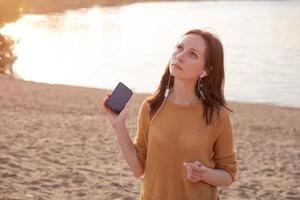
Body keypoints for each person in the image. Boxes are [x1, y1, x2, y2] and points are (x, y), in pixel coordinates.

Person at [102, 29, 238, 200]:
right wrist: (119, 125)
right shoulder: (152, 107)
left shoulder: (217, 115)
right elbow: (139, 169)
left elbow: (229, 175)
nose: (180, 56)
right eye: (179, 47)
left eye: (192, 54)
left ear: (205, 70)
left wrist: (204, 174)